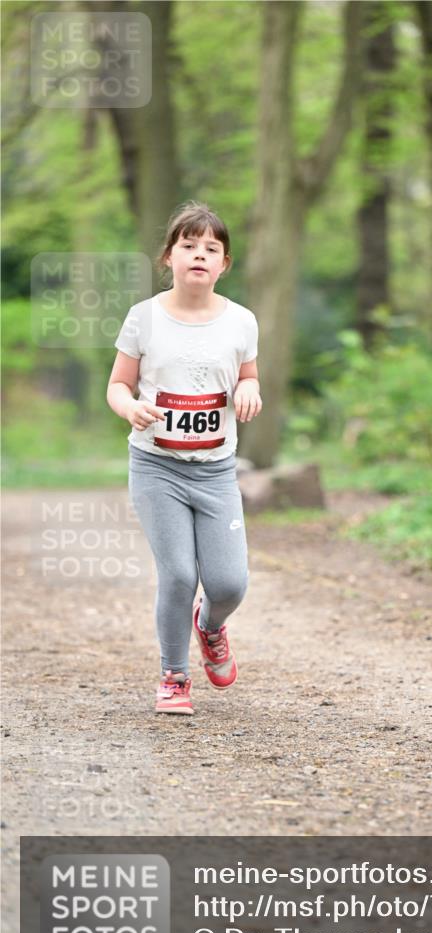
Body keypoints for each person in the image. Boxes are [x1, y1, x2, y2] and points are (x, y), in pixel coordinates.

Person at [107, 201, 262, 716]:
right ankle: (174, 677)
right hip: (157, 466)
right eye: (188, 245)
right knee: (177, 574)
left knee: (228, 583)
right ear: (168, 257)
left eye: (211, 248)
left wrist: (249, 391)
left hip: (217, 469)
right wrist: (130, 407)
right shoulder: (143, 317)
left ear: (224, 264)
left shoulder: (241, 321)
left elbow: (248, 375)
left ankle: (210, 626)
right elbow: (118, 385)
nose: (199, 254)